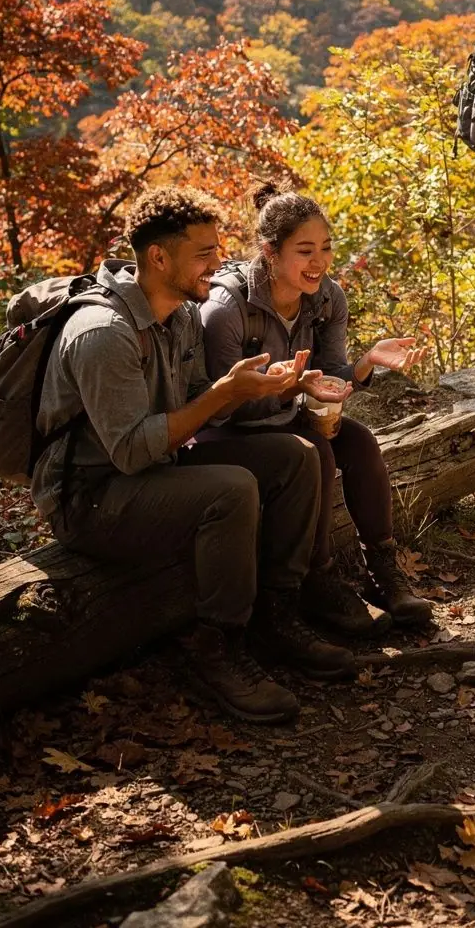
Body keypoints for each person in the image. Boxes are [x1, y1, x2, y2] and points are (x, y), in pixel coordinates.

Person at [31, 187, 357, 727]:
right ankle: (219, 648)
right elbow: (134, 450)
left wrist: (266, 388)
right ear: (159, 257)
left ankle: (277, 614)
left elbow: (202, 399)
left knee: (296, 455)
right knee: (230, 490)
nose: (219, 260)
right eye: (204, 252)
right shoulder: (103, 333)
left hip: (153, 470)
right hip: (91, 498)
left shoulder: (180, 316)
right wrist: (224, 394)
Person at [199, 184, 434, 638]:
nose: (319, 262)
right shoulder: (226, 310)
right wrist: (287, 391)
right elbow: (218, 409)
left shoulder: (327, 299)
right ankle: (319, 578)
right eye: (305, 251)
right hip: (230, 433)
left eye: (325, 248)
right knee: (317, 453)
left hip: (286, 415)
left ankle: (384, 571)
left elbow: (328, 377)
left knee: (359, 441)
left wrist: (363, 365)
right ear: (270, 252)